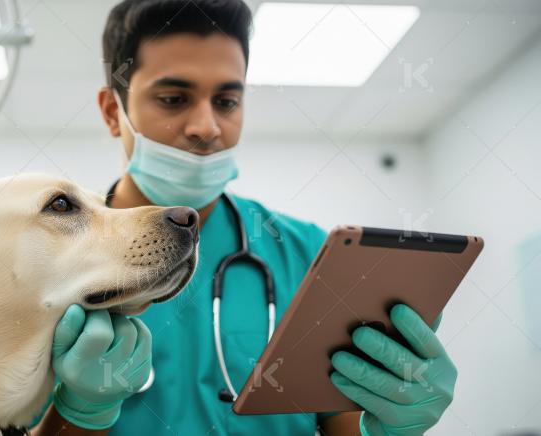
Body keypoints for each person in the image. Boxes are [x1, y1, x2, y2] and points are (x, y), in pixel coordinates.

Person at [33, 1, 457, 434]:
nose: (206, 126)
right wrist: (82, 410)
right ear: (111, 112)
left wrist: (385, 425)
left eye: (227, 101)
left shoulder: (310, 255)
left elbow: (341, 422)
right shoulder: (49, 260)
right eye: (173, 99)